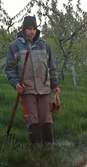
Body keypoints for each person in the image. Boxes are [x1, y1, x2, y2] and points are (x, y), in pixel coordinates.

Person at [5, 15, 60, 149]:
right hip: (27, 89)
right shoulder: (15, 46)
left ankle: (48, 147)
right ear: (24, 29)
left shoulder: (44, 45)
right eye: (29, 29)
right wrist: (16, 83)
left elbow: (52, 67)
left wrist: (55, 85)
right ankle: (36, 148)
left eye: (34, 28)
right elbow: (9, 68)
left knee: (46, 119)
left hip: (44, 89)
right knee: (33, 119)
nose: (32, 31)